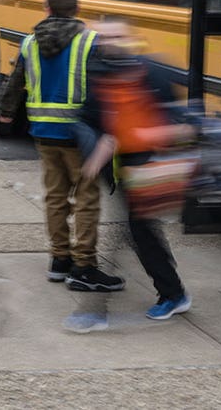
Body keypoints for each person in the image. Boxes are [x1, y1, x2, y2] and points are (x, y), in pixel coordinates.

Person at [0, 0, 124, 293]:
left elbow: (16, 82)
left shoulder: (29, 43)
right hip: (80, 135)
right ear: (77, 9)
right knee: (86, 200)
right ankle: (84, 266)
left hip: (44, 132)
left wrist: (4, 111)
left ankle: (59, 260)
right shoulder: (90, 41)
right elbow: (104, 88)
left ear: (48, 9)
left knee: (55, 197)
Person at [70, 17, 196, 330]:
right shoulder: (101, 76)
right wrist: (92, 164)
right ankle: (171, 292)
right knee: (141, 233)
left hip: (152, 167)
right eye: (103, 37)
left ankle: (103, 310)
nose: (108, 41)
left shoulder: (153, 72)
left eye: (114, 36)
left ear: (128, 39)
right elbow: (99, 125)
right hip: (128, 170)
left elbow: (180, 125)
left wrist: (144, 135)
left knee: (135, 232)